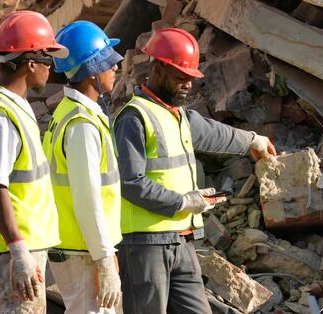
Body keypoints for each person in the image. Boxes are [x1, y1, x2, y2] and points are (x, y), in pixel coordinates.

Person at [114, 27, 277, 314]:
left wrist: (253, 140)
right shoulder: (133, 117)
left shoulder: (177, 116)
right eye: (181, 77)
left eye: (191, 78)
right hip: (144, 244)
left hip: (181, 239)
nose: (188, 85)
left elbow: (214, 133)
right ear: (159, 70)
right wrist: (183, 202)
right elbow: (130, 182)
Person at [0, 10, 67, 314]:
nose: (51, 69)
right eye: (49, 59)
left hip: (15, 246)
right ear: (31, 63)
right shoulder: (1, 116)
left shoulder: (10, 107)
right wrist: (18, 249)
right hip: (9, 249)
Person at [43, 21, 124, 314]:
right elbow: (87, 198)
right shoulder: (81, 124)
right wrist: (104, 260)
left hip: (82, 247)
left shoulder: (70, 115)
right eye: (109, 62)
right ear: (92, 70)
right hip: (83, 251)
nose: (115, 68)